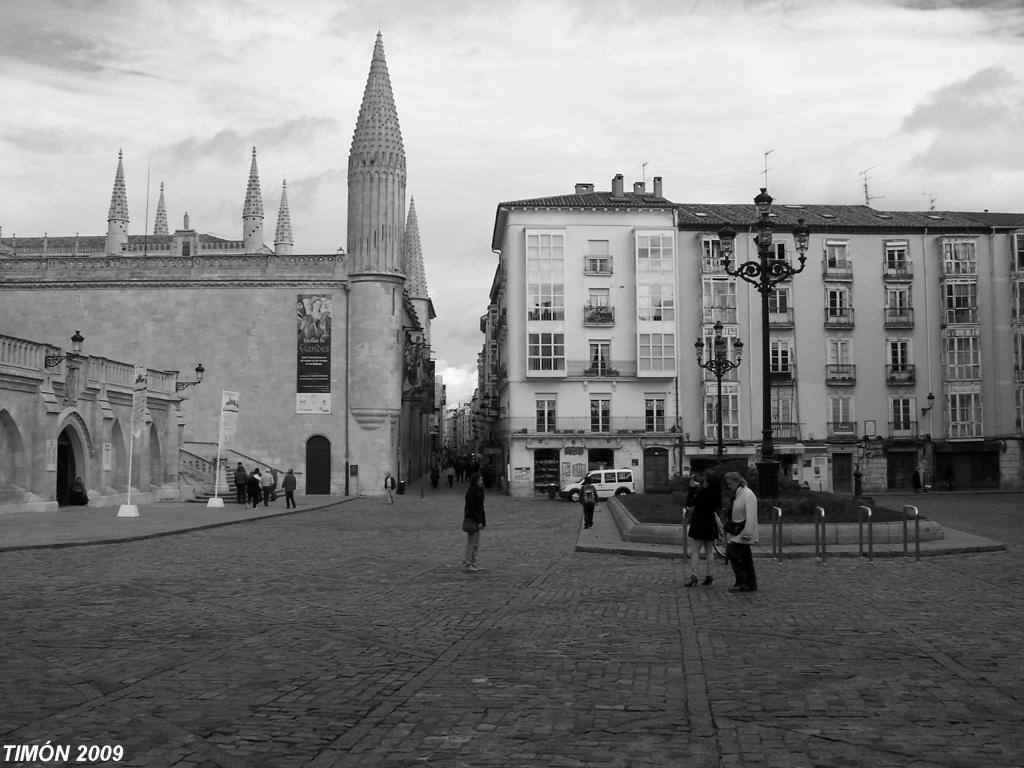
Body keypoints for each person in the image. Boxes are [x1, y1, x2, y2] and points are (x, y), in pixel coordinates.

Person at [685, 474, 724, 587]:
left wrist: (692, 489)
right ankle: (709, 575)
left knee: (695, 551)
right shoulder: (716, 494)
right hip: (710, 524)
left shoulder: (703, 493)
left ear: (708, 482)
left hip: (699, 523)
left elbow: (690, 502)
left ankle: (694, 575)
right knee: (709, 552)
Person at [723, 471, 758, 593]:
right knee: (745, 557)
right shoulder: (738, 494)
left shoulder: (747, 494)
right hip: (739, 531)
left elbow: (751, 515)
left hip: (744, 532)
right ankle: (750, 582)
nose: (729, 486)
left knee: (732, 552)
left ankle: (742, 581)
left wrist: (748, 533)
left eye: (730, 484)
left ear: (737, 482)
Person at [463, 472, 486, 572]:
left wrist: (483, 521)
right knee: (471, 544)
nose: (481, 482)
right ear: (475, 481)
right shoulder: (471, 493)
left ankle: (474, 563)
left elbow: (481, 508)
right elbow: (471, 509)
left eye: (481, 480)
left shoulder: (479, 491)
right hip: (472, 520)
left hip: (478, 520)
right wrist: (478, 520)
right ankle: (468, 564)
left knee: (476, 544)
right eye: (479, 480)